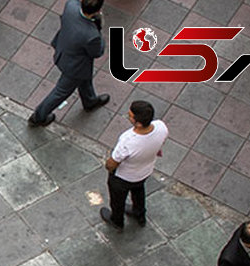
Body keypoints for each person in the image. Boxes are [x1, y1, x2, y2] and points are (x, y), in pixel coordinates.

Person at [28, 0, 109, 127]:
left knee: (85, 80)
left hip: (64, 51)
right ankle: (38, 116)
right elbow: (97, 52)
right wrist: (100, 34)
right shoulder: (92, 35)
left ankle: (90, 100)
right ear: (98, 10)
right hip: (75, 67)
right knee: (61, 92)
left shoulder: (70, 5)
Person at [100, 101, 167, 230]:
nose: (127, 115)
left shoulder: (128, 140)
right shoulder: (161, 127)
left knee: (117, 200)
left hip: (123, 177)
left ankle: (117, 221)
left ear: (138, 123)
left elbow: (112, 163)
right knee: (138, 191)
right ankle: (139, 214)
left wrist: (109, 166)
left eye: (130, 116)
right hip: (145, 172)